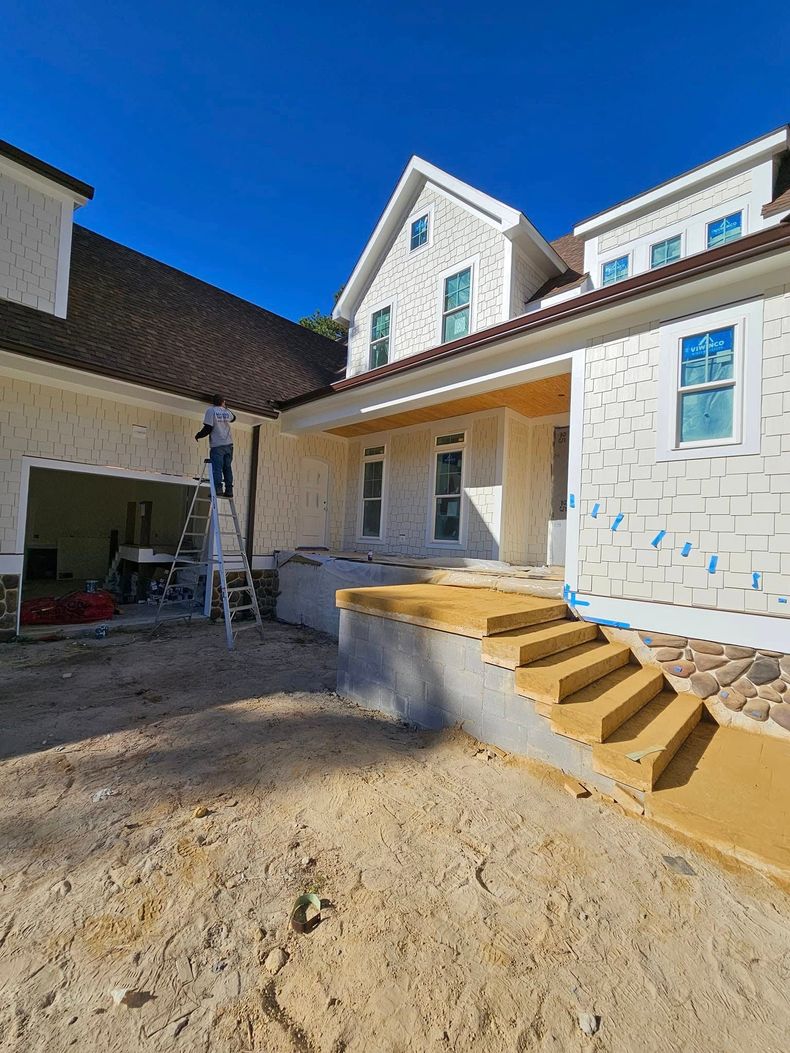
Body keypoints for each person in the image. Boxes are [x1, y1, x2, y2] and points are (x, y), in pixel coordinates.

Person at [195, 395, 236, 497]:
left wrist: (199, 435)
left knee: (217, 468)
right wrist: (225, 408)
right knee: (227, 468)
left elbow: (208, 428)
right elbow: (234, 418)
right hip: (229, 445)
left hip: (218, 445)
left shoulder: (211, 411)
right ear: (223, 402)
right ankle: (229, 490)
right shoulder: (227, 412)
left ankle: (218, 490)